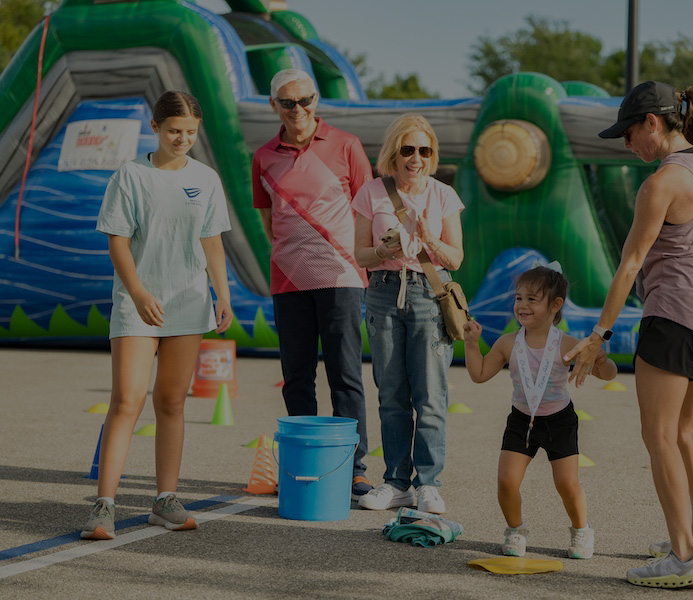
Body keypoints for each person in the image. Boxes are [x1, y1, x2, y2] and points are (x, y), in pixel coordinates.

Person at [565, 81, 693, 588]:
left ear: (652, 122)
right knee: (687, 429)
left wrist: (599, 335)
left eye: (628, 134)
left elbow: (630, 266)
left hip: (674, 318)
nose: (627, 145)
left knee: (659, 436)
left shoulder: (661, 183)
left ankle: (684, 558)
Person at [83, 90, 233, 539]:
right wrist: (138, 292)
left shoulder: (206, 179)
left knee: (171, 401)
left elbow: (211, 241)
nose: (182, 138)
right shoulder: (130, 175)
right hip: (137, 304)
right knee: (127, 400)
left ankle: (165, 500)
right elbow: (117, 241)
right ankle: (103, 506)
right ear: (155, 127)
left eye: (190, 132)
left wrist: (223, 295)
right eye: (173, 131)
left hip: (189, 303)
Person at [251, 69, 374, 499]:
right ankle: (305, 464)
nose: (298, 109)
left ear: (316, 100)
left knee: (345, 375)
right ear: (274, 106)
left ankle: (354, 469)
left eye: (305, 100)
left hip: (342, 276)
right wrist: (294, 255)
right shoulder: (263, 157)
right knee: (297, 376)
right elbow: (268, 221)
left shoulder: (347, 145)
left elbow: (369, 210)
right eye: (288, 103)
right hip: (288, 280)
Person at [462, 264, 617, 558]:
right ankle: (515, 530)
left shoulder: (568, 344)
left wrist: (600, 359)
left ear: (555, 305)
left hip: (560, 421)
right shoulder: (507, 343)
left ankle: (581, 530)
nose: (522, 305)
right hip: (521, 420)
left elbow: (608, 374)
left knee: (567, 484)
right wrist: (471, 343)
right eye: (519, 298)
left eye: (532, 299)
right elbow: (479, 374)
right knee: (506, 481)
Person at [352, 113, 464, 514]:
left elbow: (456, 258)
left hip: (428, 294)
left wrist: (428, 237)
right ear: (394, 153)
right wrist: (385, 250)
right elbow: (359, 254)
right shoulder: (372, 192)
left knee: (430, 395)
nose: (416, 158)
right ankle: (396, 482)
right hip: (384, 292)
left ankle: (429, 483)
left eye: (424, 151)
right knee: (392, 394)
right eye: (408, 150)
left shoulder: (443, 195)